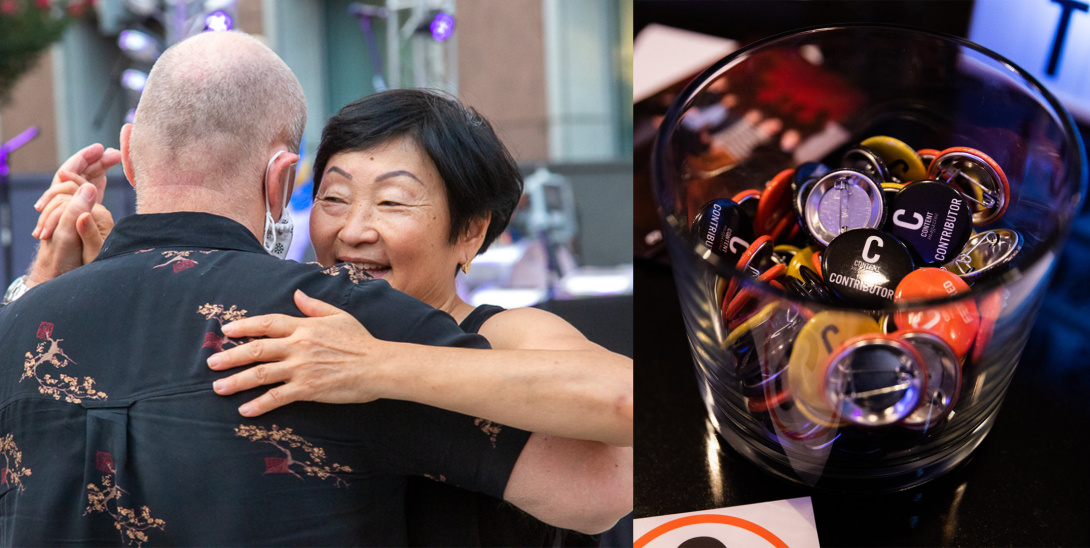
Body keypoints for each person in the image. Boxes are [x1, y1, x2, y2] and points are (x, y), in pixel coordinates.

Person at [0, 30, 629, 545]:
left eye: (393, 202)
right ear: (286, 183)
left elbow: (612, 454)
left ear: (471, 232)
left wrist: (380, 362)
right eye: (332, 197)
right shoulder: (316, 321)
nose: (355, 230)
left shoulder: (393, 332)